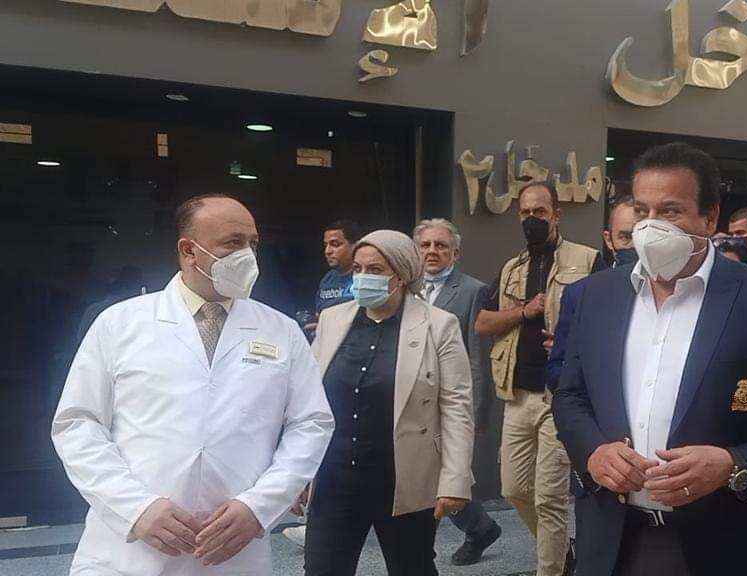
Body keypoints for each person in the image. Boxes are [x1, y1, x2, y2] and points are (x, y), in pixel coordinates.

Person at [552, 141, 747, 576]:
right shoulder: (594, 296)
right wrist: (592, 451)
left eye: (670, 211)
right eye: (641, 211)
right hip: (613, 539)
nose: (651, 226)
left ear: (710, 217)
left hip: (724, 543)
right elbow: (570, 395)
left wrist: (733, 464)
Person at [52, 194, 335, 575]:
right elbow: (78, 423)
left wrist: (259, 506)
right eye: (233, 243)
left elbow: (311, 423)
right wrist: (134, 507)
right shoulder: (120, 324)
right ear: (188, 251)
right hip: (128, 550)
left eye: (253, 243)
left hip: (233, 551)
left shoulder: (280, 330)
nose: (248, 256)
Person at [304, 230, 474, 576]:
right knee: (322, 568)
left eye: (376, 270)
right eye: (358, 269)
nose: (363, 277)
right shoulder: (333, 320)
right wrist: (298, 473)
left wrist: (454, 480)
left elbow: (457, 407)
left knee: (412, 567)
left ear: (402, 275)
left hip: (404, 479)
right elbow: (307, 401)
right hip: (335, 477)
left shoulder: (438, 326)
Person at [475, 182, 603, 576]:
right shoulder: (511, 268)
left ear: (556, 215)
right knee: (514, 489)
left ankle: (551, 569)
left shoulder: (588, 260)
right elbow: (483, 323)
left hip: (559, 395)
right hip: (517, 395)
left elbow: (607, 323)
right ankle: (561, 551)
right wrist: (525, 311)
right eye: (526, 212)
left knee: (550, 497)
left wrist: (569, 341)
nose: (532, 219)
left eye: (540, 212)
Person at [413, 218, 502, 566]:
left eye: (441, 245)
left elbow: (477, 357)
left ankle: (421, 553)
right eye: (425, 245)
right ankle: (481, 527)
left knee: (438, 476)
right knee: (432, 476)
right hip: (411, 402)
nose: (432, 251)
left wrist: (477, 411)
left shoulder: (473, 291)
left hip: (448, 401)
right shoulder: (405, 288)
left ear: (455, 253)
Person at [546, 196, 638, 391]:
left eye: (641, 236)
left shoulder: (676, 293)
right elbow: (557, 371)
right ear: (608, 239)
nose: (634, 246)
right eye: (625, 237)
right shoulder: (581, 295)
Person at [316, 220, 364, 315]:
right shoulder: (328, 278)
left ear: (356, 246)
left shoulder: (364, 277)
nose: (327, 251)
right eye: (325, 245)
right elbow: (318, 311)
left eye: (335, 244)